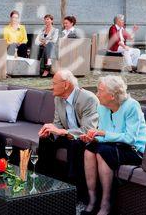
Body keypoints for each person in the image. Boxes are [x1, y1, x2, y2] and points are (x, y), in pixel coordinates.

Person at [80, 76, 146, 215]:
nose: (97, 94)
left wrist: (103, 133)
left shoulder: (131, 106)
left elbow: (130, 138)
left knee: (103, 152)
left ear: (112, 95)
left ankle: (106, 204)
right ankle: (92, 200)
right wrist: (94, 138)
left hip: (135, 150)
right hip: (114, 145)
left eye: (100, 91)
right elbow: (105, 136)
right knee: (89, 150)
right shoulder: (102, 107)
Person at [38, 70, 99, 198]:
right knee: (45, 140)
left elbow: (88, 130)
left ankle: (75, 192)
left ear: (65, 85)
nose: (51, 86)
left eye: (54, 83)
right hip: (67, 136)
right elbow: (58, 124)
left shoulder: (88, 99)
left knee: (75, 144)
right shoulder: (58, 99)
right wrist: (50, 130)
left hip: (85, 139)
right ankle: (45, 182)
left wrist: (62, 131)